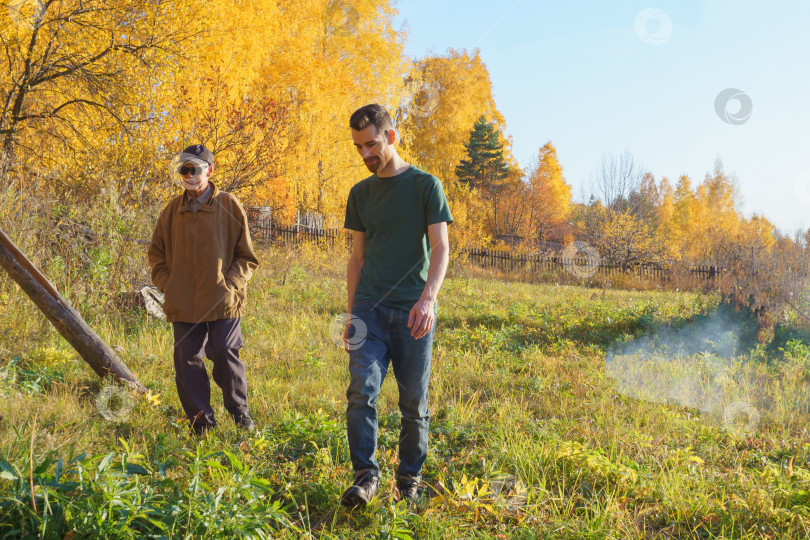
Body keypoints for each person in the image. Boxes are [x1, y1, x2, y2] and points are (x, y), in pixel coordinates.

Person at [341, 104, 453, 506]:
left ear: (391, 136)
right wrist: (353, 313)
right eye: (358, 147)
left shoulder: (426, 186)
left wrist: (428, 299)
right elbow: (357, 258)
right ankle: (365, 477)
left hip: (413, 313)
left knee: (413, 403)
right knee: (361, 392)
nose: (365, 154)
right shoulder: (360, 193)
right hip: (370, 307)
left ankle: (408, 479)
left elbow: (441, 248)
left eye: (371, 144)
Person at [148, 144, 259, 435]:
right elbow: (157, 255)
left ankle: (239, 413)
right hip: (183, 301)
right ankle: (201, 424)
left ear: (209, 170)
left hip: (223, 300)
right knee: (187, 361)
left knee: (223, 351)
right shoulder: (172, 210)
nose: (188, 175)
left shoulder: (229, 205)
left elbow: (247, 257)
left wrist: (230, 285)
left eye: (194, 169)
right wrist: (168, 285)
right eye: (183, 170)